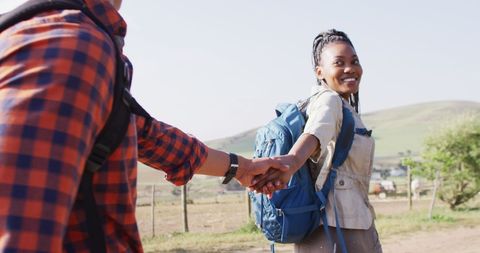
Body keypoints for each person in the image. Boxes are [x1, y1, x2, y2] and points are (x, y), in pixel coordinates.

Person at [0, 0, 285, 252]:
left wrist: (243, 168)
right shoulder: (70, 44)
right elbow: (18, 224)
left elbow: (146, 136)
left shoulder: (65, 35)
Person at [252, 29, 383, 252]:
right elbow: (315, 133)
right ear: (320, 72)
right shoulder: (329, 100)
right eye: (339, 63)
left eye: (354, 61)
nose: (349, 68)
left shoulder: (343, 107)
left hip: (345, 225)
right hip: (337, 230)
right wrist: (291, 163)